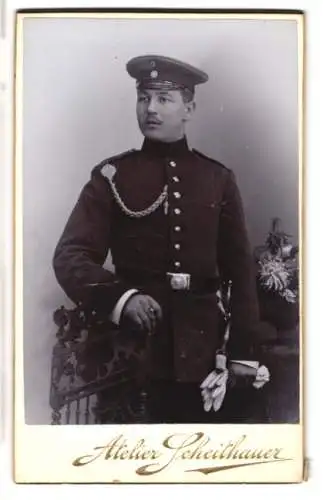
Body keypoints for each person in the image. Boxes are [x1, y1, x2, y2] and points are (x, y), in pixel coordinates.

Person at [53, 54, 269, 424]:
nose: (150, 108)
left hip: (203, 357)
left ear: (189, 108)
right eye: (143, 97)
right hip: (132, 356)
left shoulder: (217, 179)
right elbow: (70, 256)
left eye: (164, 99)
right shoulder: (111, 176)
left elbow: (240, 273)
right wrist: (123, 297)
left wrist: (242, 354)